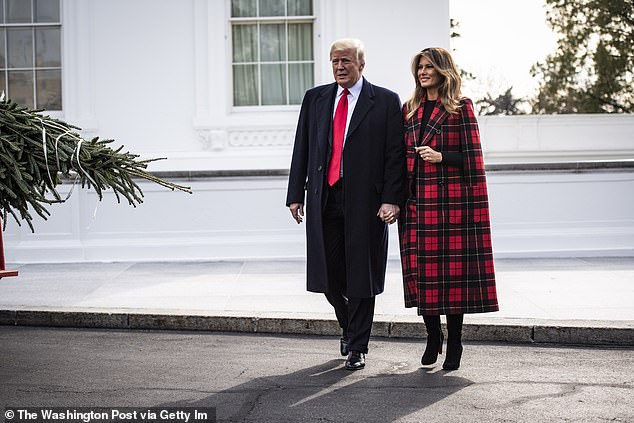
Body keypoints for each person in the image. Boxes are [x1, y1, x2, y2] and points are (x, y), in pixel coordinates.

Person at [286, 38, 405, 370]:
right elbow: (302, 147)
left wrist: (391, 199)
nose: (339, 67)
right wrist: (295, 193)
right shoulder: (316, 99)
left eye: (346, 62)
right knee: (329, 273)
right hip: (325, 198)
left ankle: (357, 345)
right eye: (335, 61)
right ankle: (349, 324)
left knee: (362, 275)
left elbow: (395, 156)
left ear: (361, 64)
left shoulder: (383, 101)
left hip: (367, 203)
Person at [398, 47, 499, 370]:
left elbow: (474, 160)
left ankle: (455, 341)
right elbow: (399, 159)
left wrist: (442, 157)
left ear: (443, 71)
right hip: (416, 204)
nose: (423, 72)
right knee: (422, 275)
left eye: (429, 67)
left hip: (450, 205)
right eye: (419, 68)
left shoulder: (460, 107)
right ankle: (432, 336)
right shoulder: (409, 109)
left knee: (453, 279)